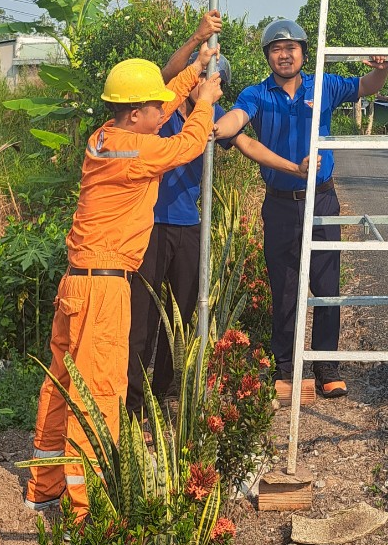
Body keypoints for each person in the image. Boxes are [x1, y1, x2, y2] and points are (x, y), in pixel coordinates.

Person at [25, 25, 222, 517]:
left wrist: (195, 69)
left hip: (78, 282)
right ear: (136, 114)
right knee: (100, 393)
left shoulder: (108, 139)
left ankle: (45, 485)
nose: (163, 114)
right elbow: (189, 143)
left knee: (62, 385)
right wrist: (207, 99)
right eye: (155, 109)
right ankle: (86, 509)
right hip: (105, 289)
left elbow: (165, 107)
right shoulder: (140, 152)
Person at [126, 48, 316, 415]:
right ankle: (131, 402)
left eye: (217, 83)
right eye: (205, 79)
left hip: (188, 226)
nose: (209, 86)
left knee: (178, 317)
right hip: (149, 224)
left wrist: (294, 168)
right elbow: (165, 76)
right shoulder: (161, 111)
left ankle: (161, 394)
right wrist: (196, 43)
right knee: (143, 317)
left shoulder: (211, 117)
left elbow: (248, 144)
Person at [213, 19, 388, 401]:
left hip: (321, 199)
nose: (284, 54)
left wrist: (381, 68)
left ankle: (327, 368)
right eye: (276, 49)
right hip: (279, 204)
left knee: (326, 285)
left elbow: (366, 86)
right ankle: (286, 369)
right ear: (268, 57)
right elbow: (237, 118)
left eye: (291, 48)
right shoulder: (257, 94)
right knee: (285, 287)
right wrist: (216, 127)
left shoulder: (323, 84)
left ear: (303, 53)